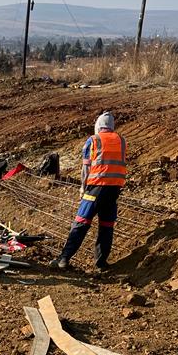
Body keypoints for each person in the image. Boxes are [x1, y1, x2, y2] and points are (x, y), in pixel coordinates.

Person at [51, 111, 127, 271]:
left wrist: (82, 188)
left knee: (81, 222)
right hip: (114, 189)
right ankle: (101, 263)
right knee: (106, 226)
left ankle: (64, 258)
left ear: (98, 126)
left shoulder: (94, 140)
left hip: (95, 189)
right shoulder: (121, 140)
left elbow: (86, 168)